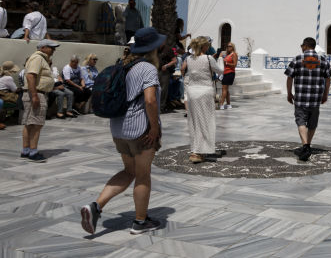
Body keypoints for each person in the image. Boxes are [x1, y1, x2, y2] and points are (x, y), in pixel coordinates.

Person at [80, 27, 165, 235]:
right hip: (140, 129)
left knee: (129, 171)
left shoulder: (123, 65)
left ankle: (95, 206)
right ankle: (140, 222)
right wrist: (154, 128)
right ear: (153, 48)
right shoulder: (147, 68)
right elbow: (150, 100)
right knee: (143, 175)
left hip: (119, 128)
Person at [285, 37, 331, 161]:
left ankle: (305, 146)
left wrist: (289, 93)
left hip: (300, 98)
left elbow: (289, 77)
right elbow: (328, 78)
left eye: (302, 45)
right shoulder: (323, 61)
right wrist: (325, 94)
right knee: (312, 124)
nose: (301, 47)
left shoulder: (297, 59)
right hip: (315, 98)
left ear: (305, 46)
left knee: (301, 121)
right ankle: (307, 146)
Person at [181, 36, 223, 163]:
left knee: (194, 121)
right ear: (204, 46)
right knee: (205, 121)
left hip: (192, 92)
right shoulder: (208, 58)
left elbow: (183, 70)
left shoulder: (189, 58)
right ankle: (198, 151)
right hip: (205, 92)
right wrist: (221, 59)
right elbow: (220, 71)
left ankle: (196, 149)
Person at [21, 39, 60, 162]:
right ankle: (33, 152)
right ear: (42, 47)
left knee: (30, 123)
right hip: (37, 93)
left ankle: (26, 150)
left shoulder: (42, 59)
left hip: (36, 93)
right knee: (37, 124)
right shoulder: (38, 58)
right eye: (51, 47)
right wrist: (34, 96)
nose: (54, 50)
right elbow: (30, 76)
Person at [0, 60, 21, 130]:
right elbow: (14, 90)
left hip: (1, 94)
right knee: (21, 97)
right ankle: (16, 116)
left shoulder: (1, 76)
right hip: (4, 95)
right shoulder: (8, 78)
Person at [219, 42, 237, 109]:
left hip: (230, 73)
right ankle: (228, 104)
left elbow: (234, 65)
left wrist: (226, 63)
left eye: (230, 46)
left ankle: (221, 104)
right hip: (226, 73)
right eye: (227, 46)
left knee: (224, 89)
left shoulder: (234, 54)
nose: (228, 47)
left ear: (233, 47)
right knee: (226, 89)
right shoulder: (227, 54)